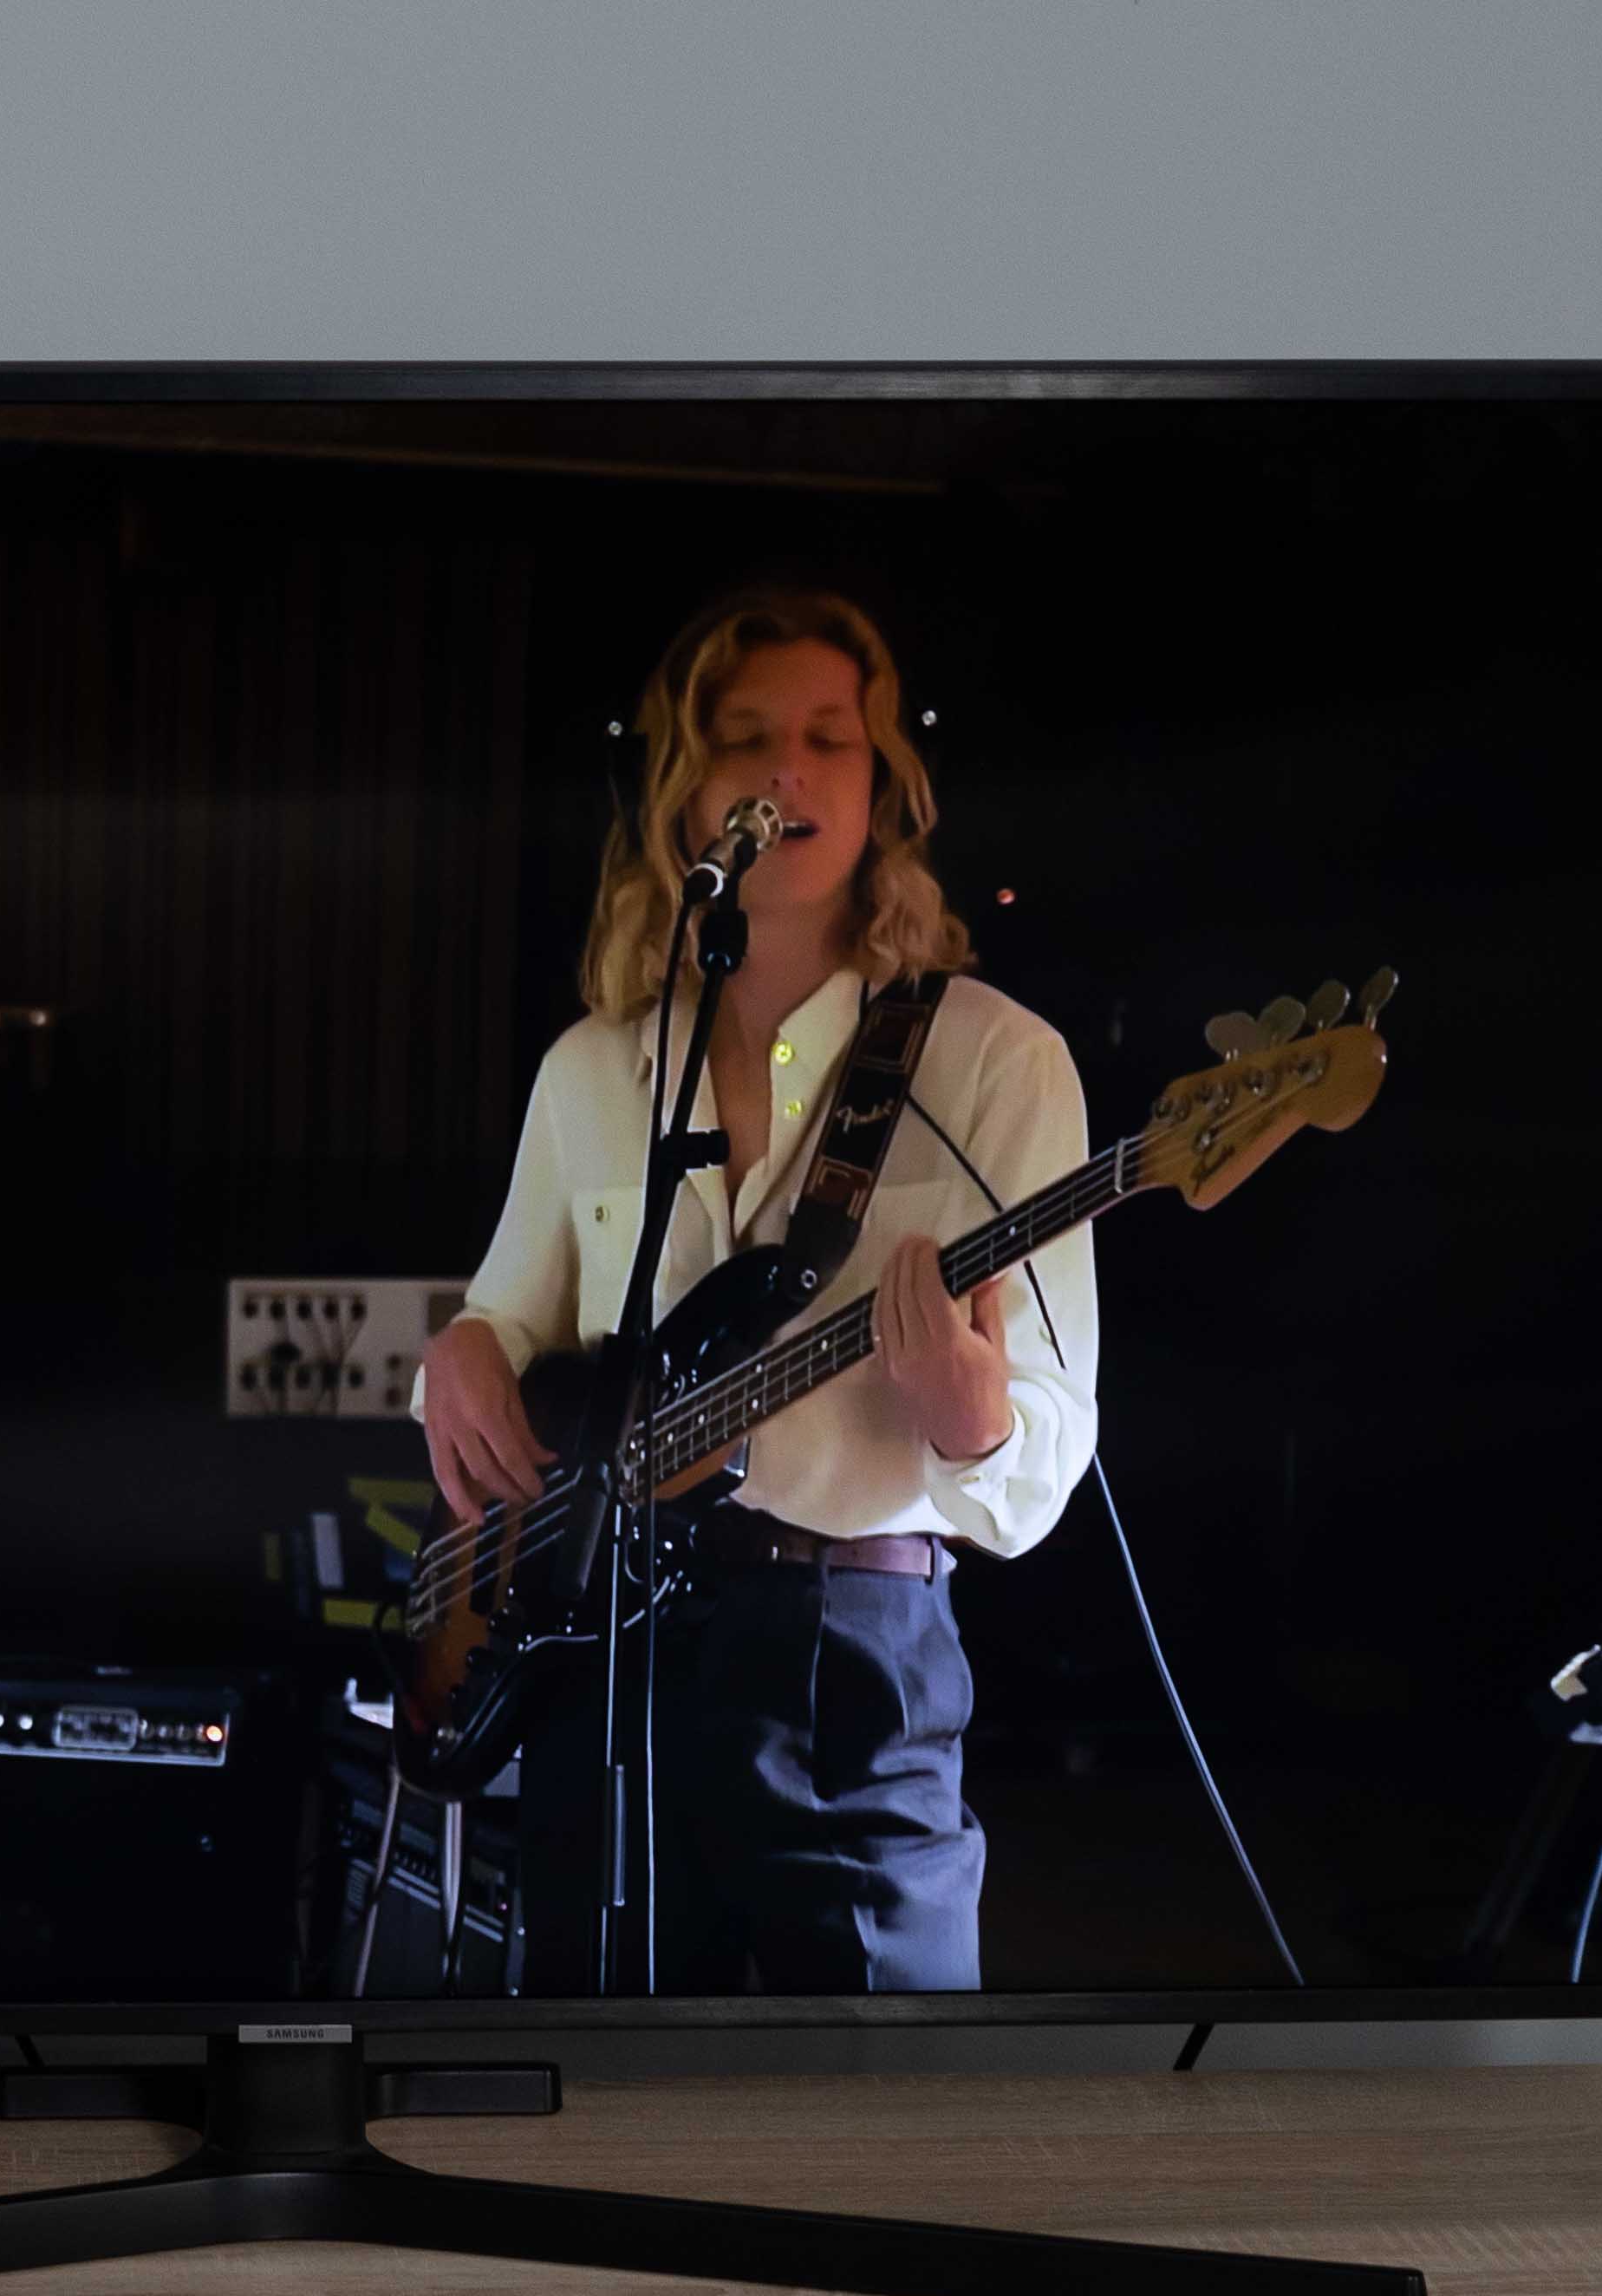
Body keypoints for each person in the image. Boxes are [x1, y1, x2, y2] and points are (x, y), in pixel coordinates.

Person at [420, 586, 1099, 1993]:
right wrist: (463, 1350)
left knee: (871, 2096)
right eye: (743, 738)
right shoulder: (592, 1070)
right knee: (595, 2072)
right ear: (684, 788)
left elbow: (1047, 1449)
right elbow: (508, 1323)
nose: (787, 769)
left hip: (851, 1660)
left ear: (881, 789)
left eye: (828, 739)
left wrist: (974, 1419)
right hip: (606, 1660)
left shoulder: (995, 1063)